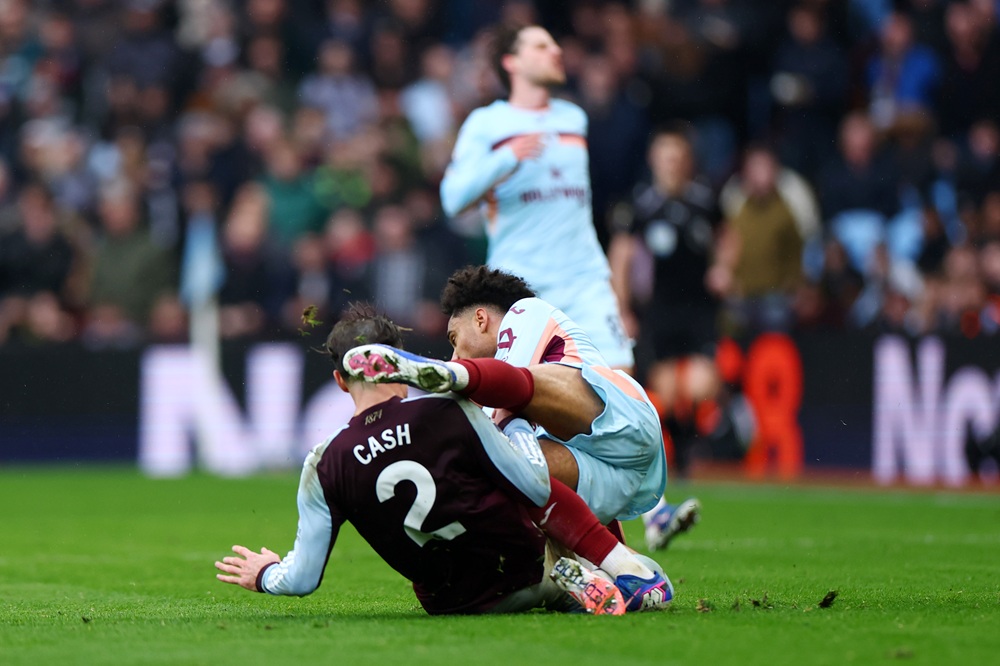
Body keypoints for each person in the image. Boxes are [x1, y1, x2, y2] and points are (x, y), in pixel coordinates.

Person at [215, 303, 672, 615]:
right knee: (516, 461)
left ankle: (569, 579)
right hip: (520, 570)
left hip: (452, 603)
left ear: (339, 381)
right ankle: (608, 569)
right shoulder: (449, 412)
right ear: (394, 361)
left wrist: (266, 574)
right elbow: (535, 488)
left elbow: (302, 577)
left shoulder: (323, 463)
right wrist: (513, 424)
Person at [343, 266, 697, 551]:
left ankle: (429, 372)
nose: (454, 352)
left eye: (454, 341)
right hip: (612, 477)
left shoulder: (525, 313)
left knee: (505, 420)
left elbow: (506, 398)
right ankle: (633, 577)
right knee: (504, 484)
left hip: (623, 418)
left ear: (480, 319)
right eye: (450, 353)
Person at [438, 24, 633, 369]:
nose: (555, 51)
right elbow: (453, 199)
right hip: (522, 286)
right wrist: (507, 157)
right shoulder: (487, 124)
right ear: (511, 61)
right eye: (542, 46)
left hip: (584, 281)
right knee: (523, 397)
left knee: (622, 381)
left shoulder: (574, 118)